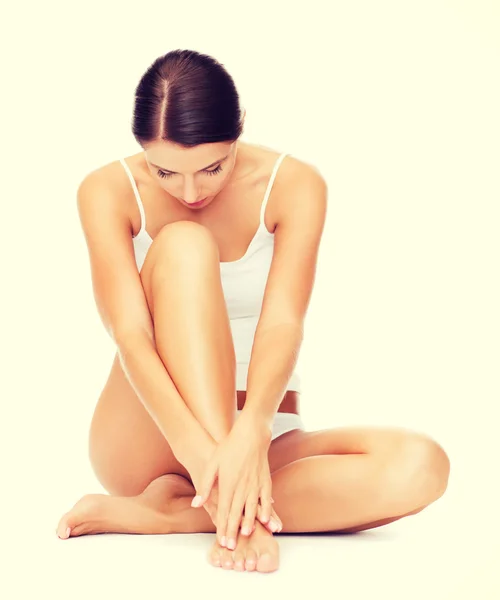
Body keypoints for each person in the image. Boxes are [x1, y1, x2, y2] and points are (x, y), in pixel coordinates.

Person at [55, 49, 450, 573]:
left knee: (421, 465)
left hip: (263, 436)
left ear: (237, 134)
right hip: (150, 434)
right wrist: (208, 460)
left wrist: (252, 432)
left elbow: (285, 321)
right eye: (165, 172)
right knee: (186, 245)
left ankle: (174, 515)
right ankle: (227, 504)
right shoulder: (106, 191)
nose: (190, 190)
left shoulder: (295, 185)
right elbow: (130, 336)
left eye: (212, 168)